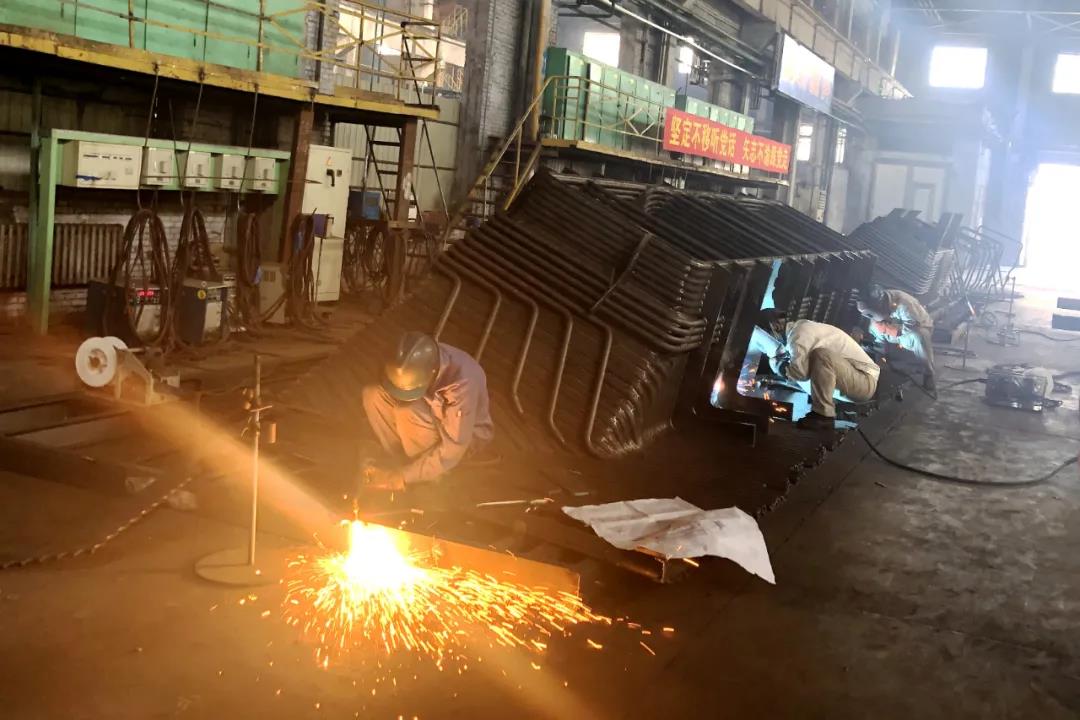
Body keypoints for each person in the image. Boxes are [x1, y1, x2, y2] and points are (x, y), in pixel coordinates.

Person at [361, 331, 493, 491]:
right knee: (373, 395)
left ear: (431, 374)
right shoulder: (408, 357)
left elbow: (453, 448)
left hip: (464, 438)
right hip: (427, 408)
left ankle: (423, 475)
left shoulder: (462, 385)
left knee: (407, 412)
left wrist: (403, 477)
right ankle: (397, 460)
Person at [760, 310, 880, 430]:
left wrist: (780, 367)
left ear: (775, 326)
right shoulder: (800, 332)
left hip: (865, 381)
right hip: (857, 381)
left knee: (822, 356)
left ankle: (823, 415)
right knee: (810, 363)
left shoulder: (798, 333)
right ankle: (826, 410)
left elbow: (800, 373)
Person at [856, 286, 936, 392]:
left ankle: (928, 373)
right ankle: (884, 361)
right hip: (893, 329)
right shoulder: (873, 304)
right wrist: (878, 324)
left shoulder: (904, 303)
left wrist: (888, 329)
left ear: (881, 304)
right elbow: (874, 317)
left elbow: (912, 325)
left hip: (913, 330)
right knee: (873, 328)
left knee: (919, 336)